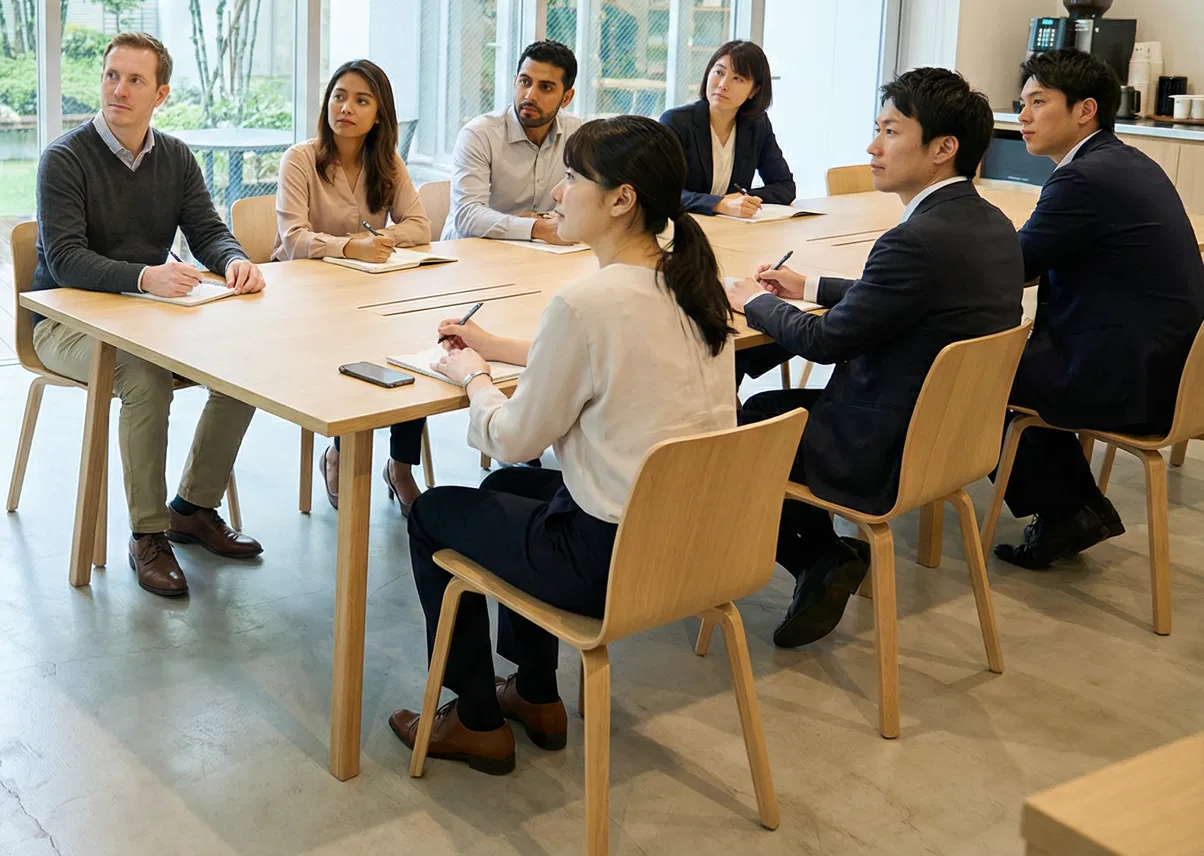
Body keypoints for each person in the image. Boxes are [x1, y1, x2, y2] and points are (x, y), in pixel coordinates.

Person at [389, 116, 738, 774]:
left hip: (609, 561)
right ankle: (536, 692)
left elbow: (515, 435)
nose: (556, 193)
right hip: (694, 543)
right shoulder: (694, 288)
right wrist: (498, 347)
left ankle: (475, 719)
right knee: (505, 489)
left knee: (433, 512)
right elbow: (605, 357)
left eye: (572, 179)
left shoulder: (586, 302)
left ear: (621, 199)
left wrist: (476, 378)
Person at [726, 67, 1024, 649]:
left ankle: (821, 556)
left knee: (742, 428)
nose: (872, 146)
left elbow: (824, 342)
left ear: (943, 148)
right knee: (771, 404)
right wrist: (807, 287)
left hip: (880, 447)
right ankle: (824, 557)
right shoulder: (990, 224)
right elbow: (897, 299)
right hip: (950, 437)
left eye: (889, 131)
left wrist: (753, 300)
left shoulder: (914, 241)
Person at [31, 31, 267, 599]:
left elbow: (207, 231)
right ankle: (148, 534)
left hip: (148, 315)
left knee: (244, 366)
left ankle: (192, 507)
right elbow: (64, 260)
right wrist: (145, 277)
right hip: (66, 322)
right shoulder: (64, 158)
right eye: (112, 75)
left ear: (160, 93)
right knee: (143, 375)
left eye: (135, 80)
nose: (119, 89)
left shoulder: (176, 157)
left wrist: (235, 260)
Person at [993, 51, 1204, 569]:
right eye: (1022, 103)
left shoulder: (1082, 179)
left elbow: (1012, 267)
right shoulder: (1124, 160)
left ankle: (1067, 511)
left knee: (975, 375)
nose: (1022, 116)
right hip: (1174, 371)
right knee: (1001, 361)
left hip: (1132, 378)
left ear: (1085, 110)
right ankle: (1075, 507)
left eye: (1038, 102)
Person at [275, 59, 433, 514]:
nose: (346, 107)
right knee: (354, 344)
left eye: (361, 100)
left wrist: (376, 241)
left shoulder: (386, 162)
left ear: (379, 115)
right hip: (305, 297)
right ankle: (339, 451)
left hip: (369, 290)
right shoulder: (300, 159)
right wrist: (350, 247)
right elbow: (293, 239)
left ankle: (399, 468)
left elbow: (420, 226)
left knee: (415, 345)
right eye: (339, 96)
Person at [450, 40, 584, 244]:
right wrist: (537, 228)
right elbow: (467, 215)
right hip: (472, 251)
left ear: (566, 98)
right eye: (525, 82)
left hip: (543, 251)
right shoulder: (479, 134)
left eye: (545, 87)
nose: (530, 96)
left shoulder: (576, 133)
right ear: (514, 82)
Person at [659, 39, 796, 218]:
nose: (723, 84)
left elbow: (785, 186)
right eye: (719, 72)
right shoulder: (676, 122)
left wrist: (743, 199)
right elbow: (661, 192)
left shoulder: (756, 124)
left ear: (754, 91)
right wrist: (719, 204)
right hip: (683, 227)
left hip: (730, 229)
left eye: (737, 78)